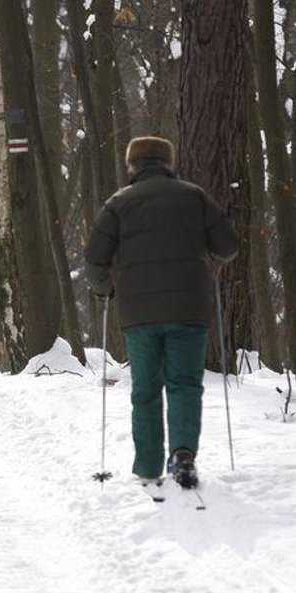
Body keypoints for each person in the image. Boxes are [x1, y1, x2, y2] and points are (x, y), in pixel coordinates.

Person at [84, 136, 239, 489]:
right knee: (185, 384)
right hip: (189, 308)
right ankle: (183, 454)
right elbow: (228, 246)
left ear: (131, 167)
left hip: (139, 313)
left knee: (146, 390)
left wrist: (103, 288)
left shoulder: (117, 205)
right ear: (168, 163)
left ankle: (149, 464)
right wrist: (210, 260)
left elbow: (95, 259)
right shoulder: (194, 197)